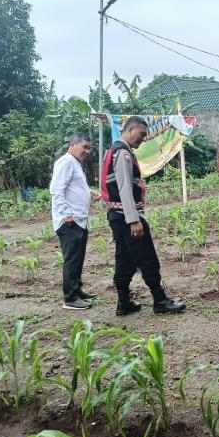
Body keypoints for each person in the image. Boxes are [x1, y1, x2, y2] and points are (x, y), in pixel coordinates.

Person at [102, 115, 185, 315]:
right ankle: (160, 300)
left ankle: (123, 303)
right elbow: (124, 189)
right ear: (129, 130)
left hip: (117, 216)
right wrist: (134, 220)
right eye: (141, 134)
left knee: (124, 260)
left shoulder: (114, 151)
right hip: (126, 217)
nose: (143, 138)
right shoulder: (122, 153)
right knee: (147, 258)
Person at [50, 131, 99, 309]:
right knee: (72, 259)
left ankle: (76, 289)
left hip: (79, 219)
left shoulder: (75, 163)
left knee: (78, 258)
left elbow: (73, 188)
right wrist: (65, 214)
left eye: (88, 148)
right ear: (72, 144)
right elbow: (56, 189)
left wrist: (89, 193)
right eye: (84, 147)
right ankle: (70, 298)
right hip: (70, 220)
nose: (86, 151)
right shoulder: (65, 162)